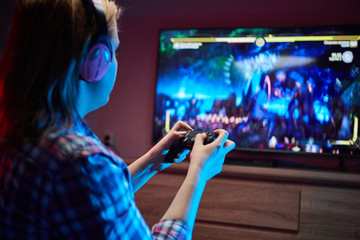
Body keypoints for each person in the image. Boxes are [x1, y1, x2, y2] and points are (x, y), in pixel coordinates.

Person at [0, 0, 235, 239]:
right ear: (96, 60)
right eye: (114, 51)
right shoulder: (82, 163)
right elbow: (92, 184)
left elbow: (93, 203)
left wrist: (152, 161)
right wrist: (198, 174)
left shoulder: (22, 135)